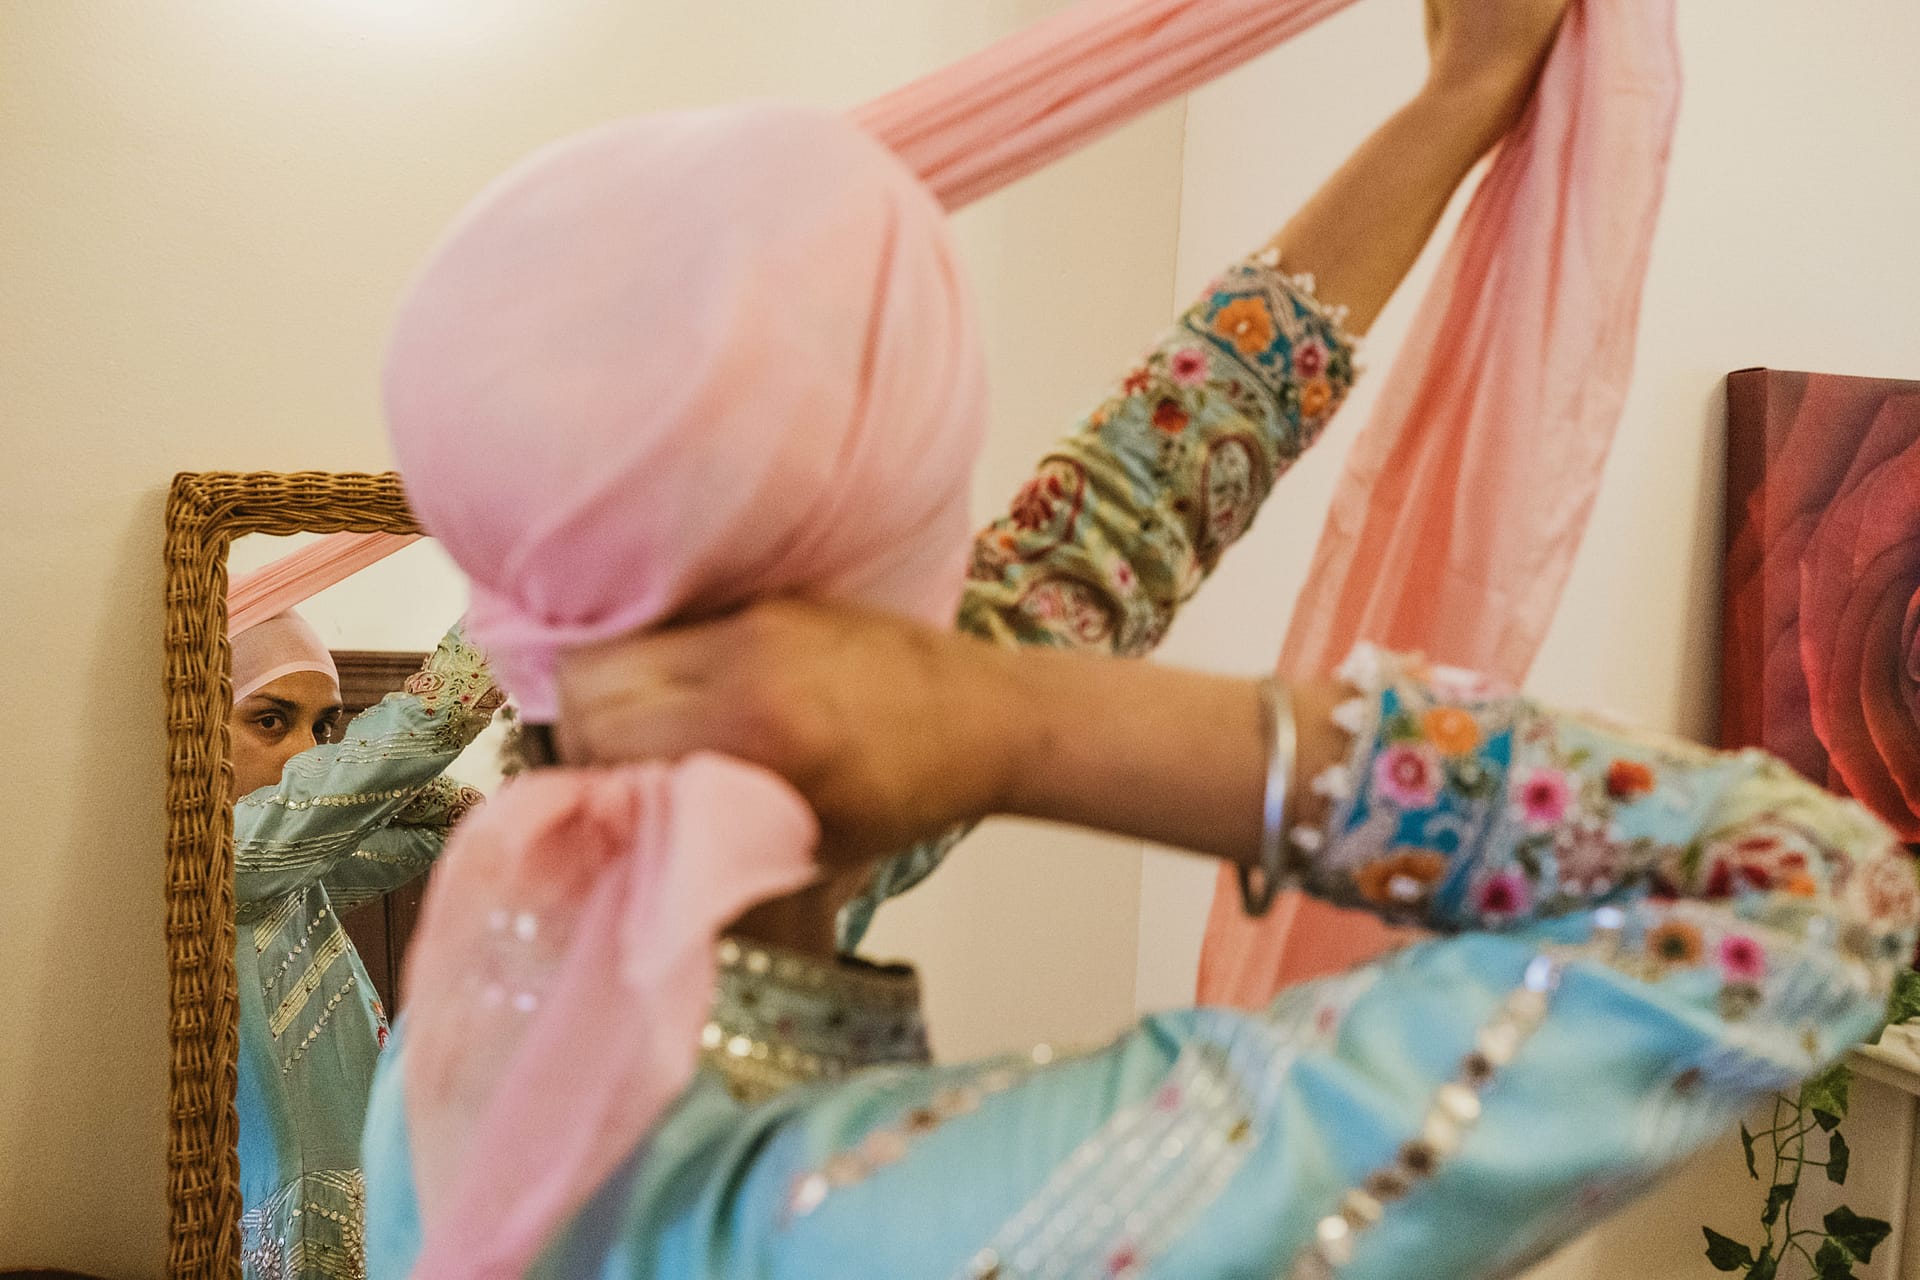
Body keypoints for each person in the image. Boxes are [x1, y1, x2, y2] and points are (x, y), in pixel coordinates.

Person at [354, 2, 1911, 1276]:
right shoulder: (874, 1224)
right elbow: (1805, 895)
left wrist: (1451, 108)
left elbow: (1119, 521)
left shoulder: (517, 966)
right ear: (894, 649)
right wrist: (1023, 727)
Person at [229, 610, 502, 1278]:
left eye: (324, 728)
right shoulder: (224, 859)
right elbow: (396, 770)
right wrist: (505, 609)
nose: (306, 755)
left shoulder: (289, 869)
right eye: (270, 720)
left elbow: (437, 824)